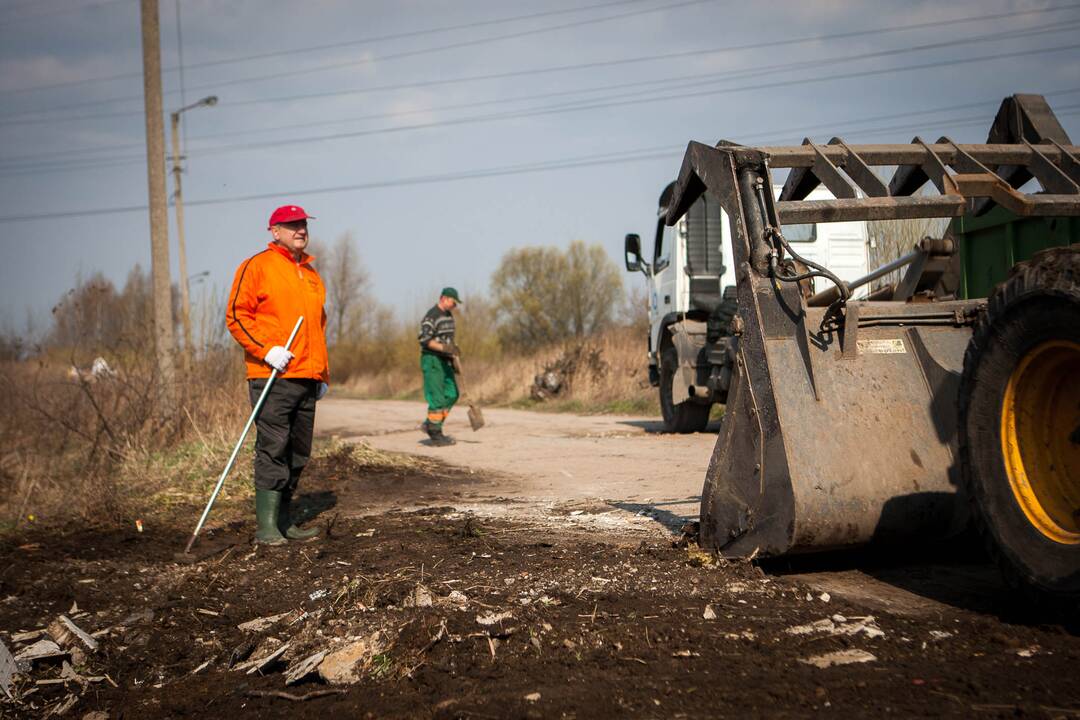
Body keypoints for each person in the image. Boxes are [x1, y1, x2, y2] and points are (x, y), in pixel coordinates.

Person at [226, 204, 330, 545]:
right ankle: (267, 527)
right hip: (272, 374)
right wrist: (266, 349)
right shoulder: (257, 266)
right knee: (274, 447)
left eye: (302, 224)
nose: (300, 229)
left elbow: (318, 326)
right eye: (291, 225)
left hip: (306, 376)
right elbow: (237, 316)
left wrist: (322, 373)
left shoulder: (312, 275)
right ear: (275, 231)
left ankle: (286, 522)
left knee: (298, 452)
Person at [418, 287, 462, 447]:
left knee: (452, 393)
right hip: (432, 359)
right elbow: (425, 340)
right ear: (444, 298)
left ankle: (430, 423)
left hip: (446, 361)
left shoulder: (448, 316)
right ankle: (435, 434)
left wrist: (453, 352)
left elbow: (448, 339)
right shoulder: (432, 316)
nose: (455, 306)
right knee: (436, 397)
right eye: (453, 302)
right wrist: (444, 348)